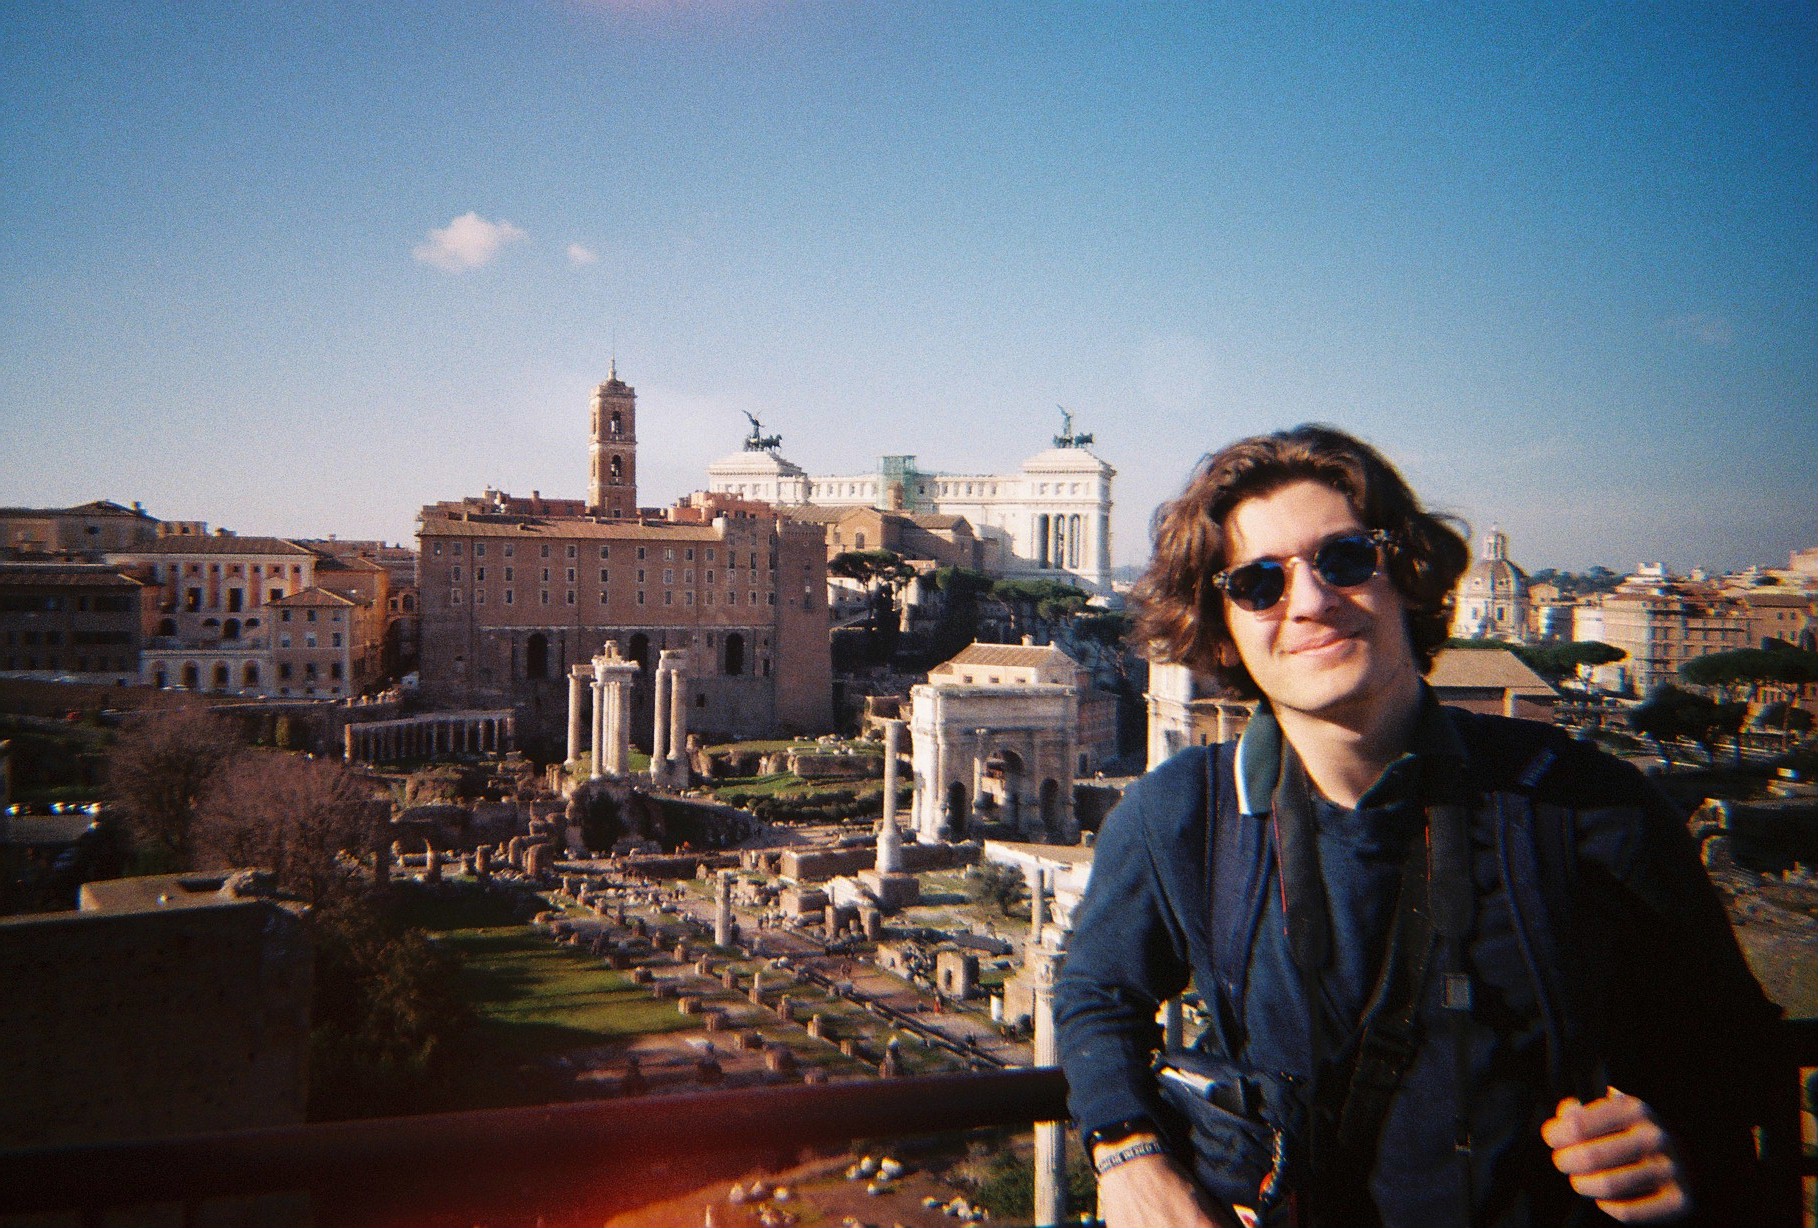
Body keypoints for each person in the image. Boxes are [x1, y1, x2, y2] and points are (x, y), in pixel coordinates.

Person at [1054, 426, 1791, 1228]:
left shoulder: (1587, 804)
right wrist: (1127, 1152)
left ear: (1405, 574)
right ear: (1222, 625)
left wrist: (1676, 1137)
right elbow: (1096, 993)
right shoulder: (1181, 814)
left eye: (1343, 559)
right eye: (1259, 584)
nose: (1308, 602)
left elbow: (1736, 1044)